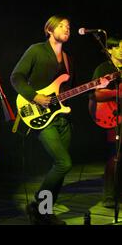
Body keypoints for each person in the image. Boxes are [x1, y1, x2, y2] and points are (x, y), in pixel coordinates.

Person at [10, 15, 108, 225]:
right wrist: (35, 96)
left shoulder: (69, 59)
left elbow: (68, 91)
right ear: (49, 29)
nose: (67, 29)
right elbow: (16, 77)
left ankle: (44, 212)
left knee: (60, 165)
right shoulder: (36, 50)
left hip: (61, 117)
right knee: (64, 163)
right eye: (62, 26)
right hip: (39, 115)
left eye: (69, 27)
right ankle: (38, 204)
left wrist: (96, 85)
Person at [89, 37, 122, 208]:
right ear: (109, 50)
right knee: (114, 155)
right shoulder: (103, 68)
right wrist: (117, 93)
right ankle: (109, 195)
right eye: (118, 47)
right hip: (113, 117)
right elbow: (95, 95)